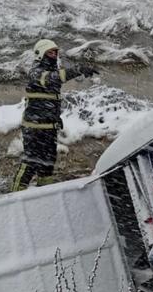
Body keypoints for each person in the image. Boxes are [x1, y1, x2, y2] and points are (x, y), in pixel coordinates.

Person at [11, 39, 96, 191]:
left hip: (49, 128)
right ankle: (15, 194)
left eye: (55, 53)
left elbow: (49, 98)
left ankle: (45, 192)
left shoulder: (50, 72)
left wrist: (55, 119)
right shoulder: (36, 73)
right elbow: (54, 77)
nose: (54, 56)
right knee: (31, 162)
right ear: (40, 54)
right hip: (34, 128)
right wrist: (77, 69)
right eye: (50, 53)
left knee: (48, 163)